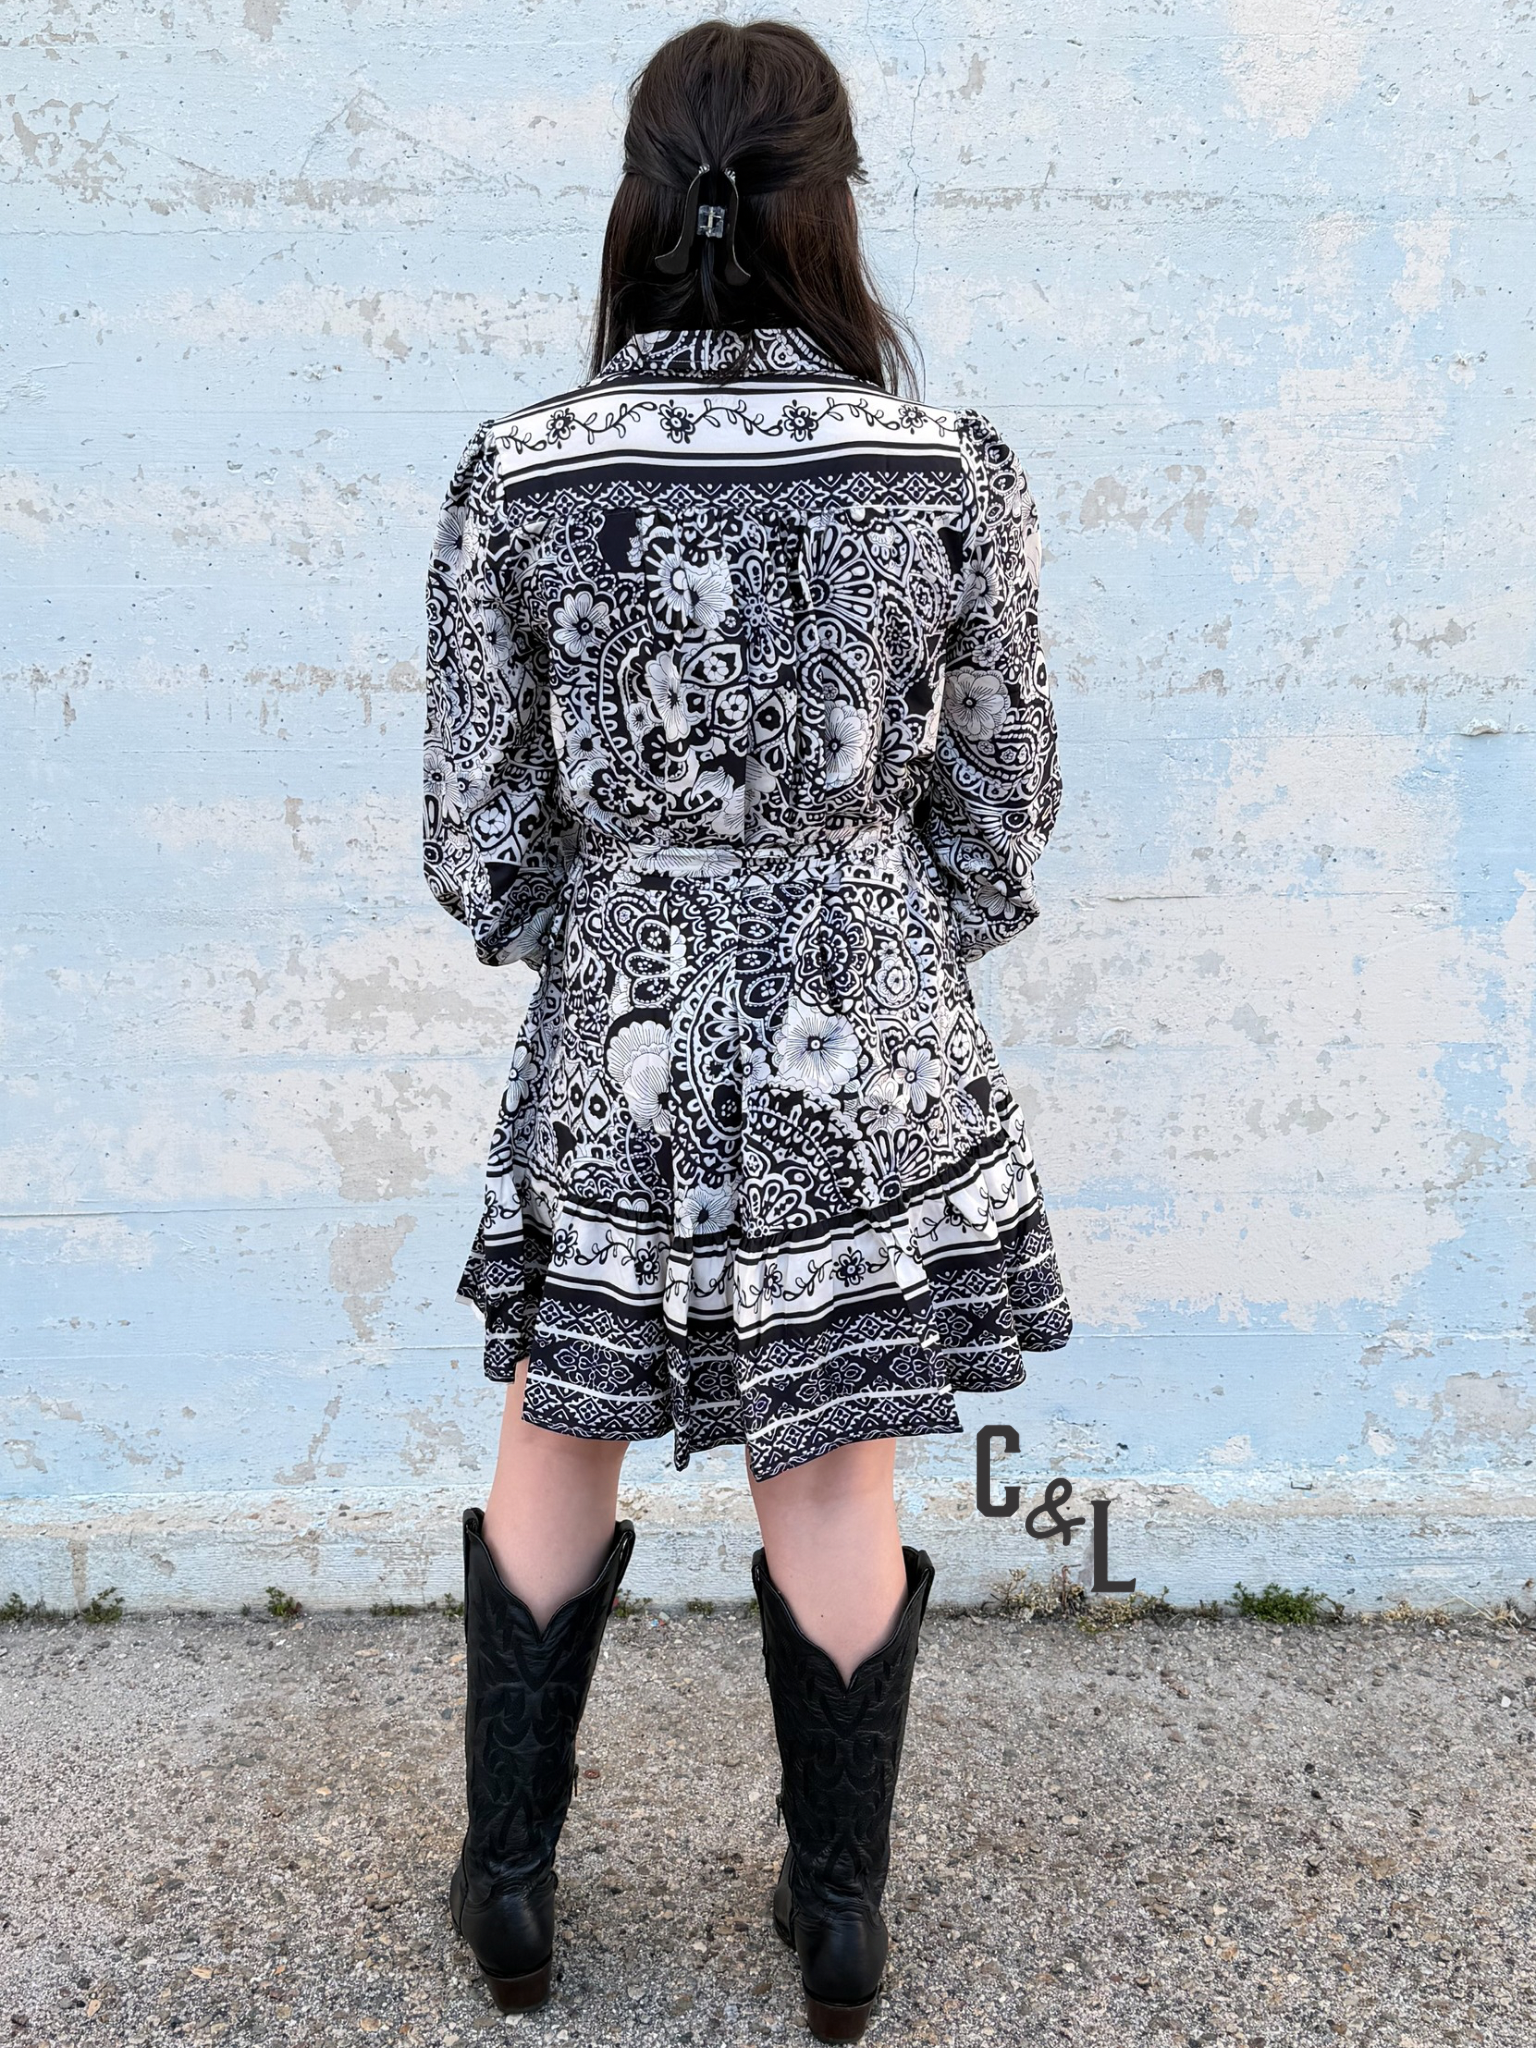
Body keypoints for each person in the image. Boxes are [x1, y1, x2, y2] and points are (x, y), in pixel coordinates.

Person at [421, 19, 1071, 2041]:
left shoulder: (522, 470)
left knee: (559, 1429)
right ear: (831, 200)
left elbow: (476, 836)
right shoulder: (946, 463)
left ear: (643, 197)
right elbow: (1007, 802)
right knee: (836, 1471)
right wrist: (880, 935)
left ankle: (515, 1892)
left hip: (616, 1021)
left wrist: (603, 929)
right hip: (860, 1042)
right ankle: (842, 1919)